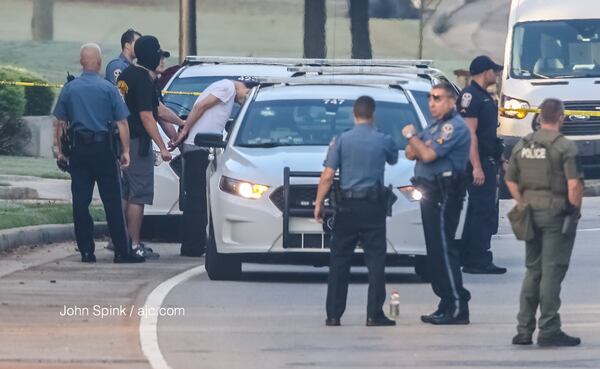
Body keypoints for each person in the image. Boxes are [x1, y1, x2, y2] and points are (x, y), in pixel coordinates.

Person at [53, 43, 144, 264]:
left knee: (80, 202)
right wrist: (125, 152)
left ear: (81, 62)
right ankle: (122, 251)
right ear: (100, 63)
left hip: (79, 151)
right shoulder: (108, 88)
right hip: (104, 150)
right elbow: (122, 122)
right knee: (112, 201)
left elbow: (60, 122)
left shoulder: (70, 89)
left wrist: (59, 150)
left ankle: (86, 251)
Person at [314, 96, 398, 327]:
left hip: (346, 208)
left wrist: (319, 203)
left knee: (339, 261)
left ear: (354, 113)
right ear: (373, 113)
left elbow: (328, 175)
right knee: (376, 262)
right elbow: (393, 159)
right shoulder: (383, 139)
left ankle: (333, 314)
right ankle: (374, 314)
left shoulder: (340, 140)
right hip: (373, 208)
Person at [505, 99, 584, 347]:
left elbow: (510, 180)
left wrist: (523, 202)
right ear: (560, 117)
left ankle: (524, 329)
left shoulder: (523, 144)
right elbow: (574, 186)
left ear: (539, 117)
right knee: (552, 271)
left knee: (533, 269)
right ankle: (549, 328)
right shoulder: (564, 147)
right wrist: (573, 212)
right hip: (555, 212)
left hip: (530, 211)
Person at [402, 83, 471, 325]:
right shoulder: (435, 126)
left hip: (445, 192)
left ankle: (457, 305)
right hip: (430, 191)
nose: (431, 102)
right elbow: (411, 153)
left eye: (438, 98)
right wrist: (419, 145)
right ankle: (445, 302)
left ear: (452, 101)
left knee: (444, 248)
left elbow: (428, 154)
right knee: (434, 251)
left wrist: (413, 137)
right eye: (430, 98)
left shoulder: (454, 127)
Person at [117, 35, 184, 259]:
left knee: (126, 194)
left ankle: (122, 241)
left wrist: (181, 127)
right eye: (159, 55)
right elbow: (147, 117)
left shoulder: (129, 75)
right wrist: (163, 147)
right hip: (137, 143)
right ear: (150, 55)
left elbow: (159, 110)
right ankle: (134, 245)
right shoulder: (143, 80)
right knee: (139, 196)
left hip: (122, 143)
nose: (161, 60)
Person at [171, 78, 255, 257]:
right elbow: (199, 107)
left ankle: (194, 244)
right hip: (198, 146)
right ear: (243, 87)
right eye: (247, 95)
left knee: (197, 197)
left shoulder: (226, 91)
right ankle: (192, 246)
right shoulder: (227, 87)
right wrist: (184, 130)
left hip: (201, 145)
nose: (244, 100)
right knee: (197, 199)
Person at [458, 55, 507, 274]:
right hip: (478, 163)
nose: (496, 74)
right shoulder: (471, 96)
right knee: (481, 211)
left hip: (488, 159)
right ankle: (477, 259)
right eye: (494, 71)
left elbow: (487, 134)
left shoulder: (482, 96)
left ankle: (472, 256)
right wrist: (476, 166)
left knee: (483, 210)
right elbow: (470, 134)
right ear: (484, 71)